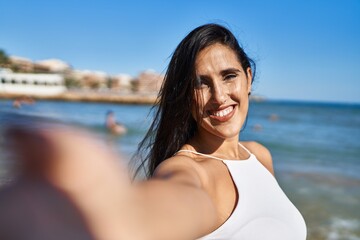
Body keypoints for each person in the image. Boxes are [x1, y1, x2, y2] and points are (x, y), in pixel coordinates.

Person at [0, 23, 307, 240]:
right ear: (185, 96)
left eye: (229, 76)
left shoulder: (260, 156)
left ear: (248, 78)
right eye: (201, 83)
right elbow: (172, 204)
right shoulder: (186, 169)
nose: (219, 96)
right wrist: (99, 219)